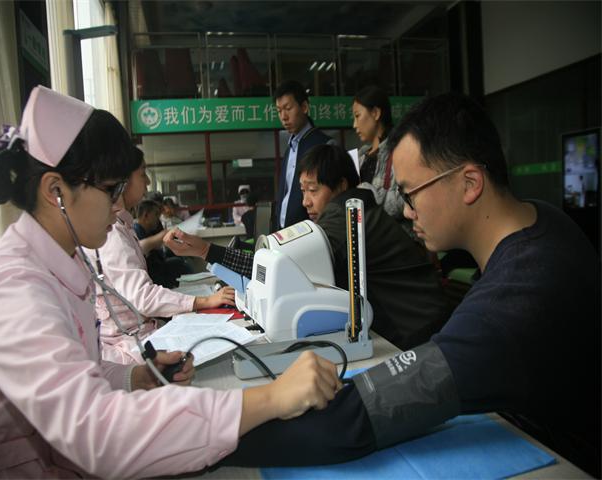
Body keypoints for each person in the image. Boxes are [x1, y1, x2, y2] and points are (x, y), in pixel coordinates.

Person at [0, 86, 342, 478]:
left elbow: (72, 372)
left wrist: (133, 377)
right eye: (111, 190)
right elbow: (96, 432)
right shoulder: (12, 290)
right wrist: (271, 398)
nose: (119, 206)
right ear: (56, 191)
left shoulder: (57, 261)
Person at [221, 92, 601, 478]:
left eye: (410, 193)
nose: (405, 209)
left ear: (470, 183)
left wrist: (210, 433)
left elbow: (357, 417)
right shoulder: (544, 220)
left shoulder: (515, 298)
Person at [167, 145, 450, 350]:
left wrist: (207, 251)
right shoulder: (356, 210)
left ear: (340, 186)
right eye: (303, 191)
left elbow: (273, 268)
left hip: (416, 336)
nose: (305, 201)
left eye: (313, 190)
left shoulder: (345, 218)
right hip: (419, 325)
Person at [88, 148, 234, 364]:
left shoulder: (122, 226)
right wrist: (205, 301)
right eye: (142, 174)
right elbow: (143, 298)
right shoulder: (113, 232)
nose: (147, 182)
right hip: (130, 347)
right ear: (122, 181)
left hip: (139, 335)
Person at [273, 80, 333, 231]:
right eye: (279, 111)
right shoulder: (290, 148)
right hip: (284, 233)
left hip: (310, 233)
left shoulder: (324, 145)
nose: (283, 116)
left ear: (304, 107)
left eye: (288, 108)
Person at [353, 86, 412, 236]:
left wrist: (370, 197)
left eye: (357, 116)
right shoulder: (360, 157)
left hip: (395, 242)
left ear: (376, 113)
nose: (354, 125)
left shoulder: (401, 151)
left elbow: (409, 198)